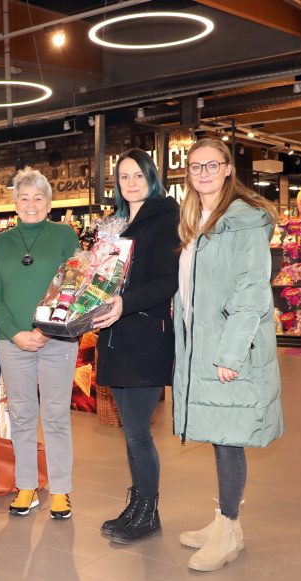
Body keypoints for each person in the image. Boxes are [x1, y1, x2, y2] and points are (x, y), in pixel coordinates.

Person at [173, 138, 283, 571]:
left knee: (228, 439)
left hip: (225, 347)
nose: (203, 173)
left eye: (211, 165)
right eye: (195, 167)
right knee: (220, 435)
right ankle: (225, 523)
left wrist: (230, 355)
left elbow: (252, 293)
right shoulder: (196, 220)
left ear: (227, 169)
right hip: (200, 343)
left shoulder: (244, 222)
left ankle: (229, 530)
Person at [93, 149, 180, 543]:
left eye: (137, 175)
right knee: (129, 430)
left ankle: (149, 512)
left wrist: (125, 302)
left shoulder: (166, 217)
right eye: (123, 177)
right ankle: (137, 503)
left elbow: (167, 280)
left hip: (146, 334)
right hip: (114, 335)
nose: (130, 183)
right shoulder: (114, 224)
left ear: (151, 176)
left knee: (137, 433)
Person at [0, 167, 80, 519]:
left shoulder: (64, 235)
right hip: (12, 342)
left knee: (56, 416)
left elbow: (74, 285)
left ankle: (60, 491)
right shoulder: (1, 242)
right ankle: (26, 487)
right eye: (24, 197)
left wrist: (46, 330)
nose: (31, 204)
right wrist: (16, 333)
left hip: (57, 338)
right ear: (14, 203)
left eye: (38, 197)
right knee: (22, 416)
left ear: (49, 203)